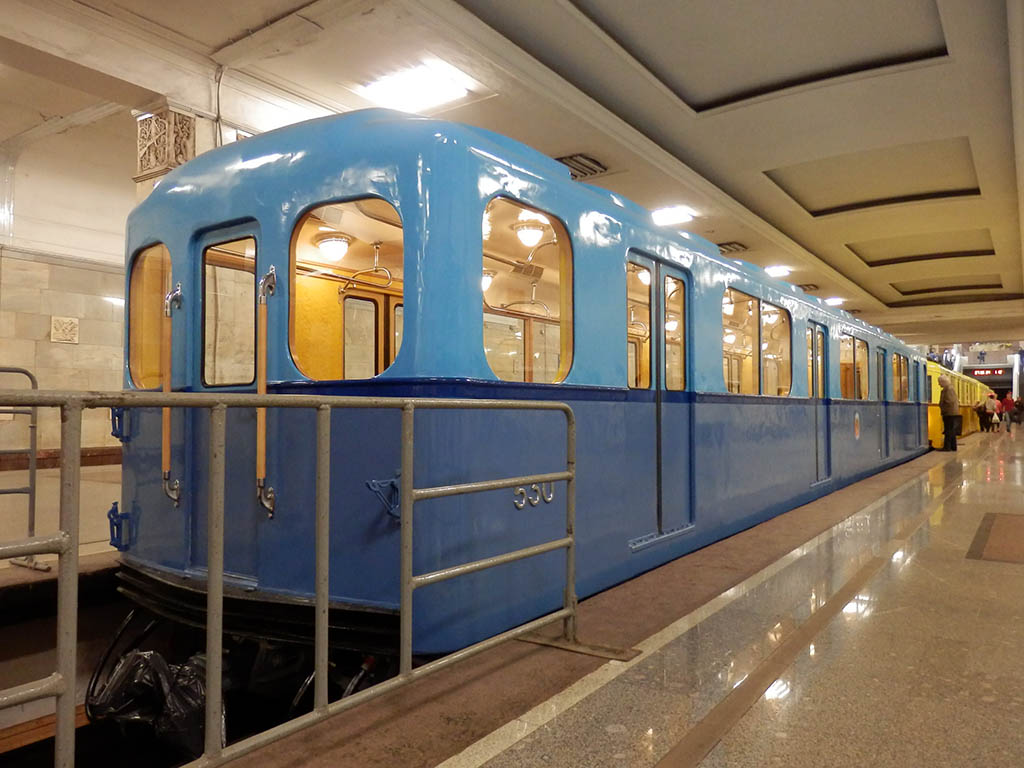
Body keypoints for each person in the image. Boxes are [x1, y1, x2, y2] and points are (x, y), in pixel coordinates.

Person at [938, 375, 960, 451]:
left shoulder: (949, 389)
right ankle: (953, 447)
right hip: (950, 412)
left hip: (949, 413)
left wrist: (943, 407)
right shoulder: (949, 388)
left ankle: (947, 447)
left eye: (939, 382)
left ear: (943, 382)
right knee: (950, 430)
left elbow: (950, 401)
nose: (939, 384)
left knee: (948, 430)